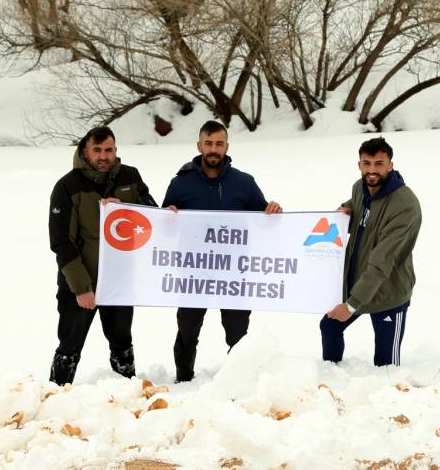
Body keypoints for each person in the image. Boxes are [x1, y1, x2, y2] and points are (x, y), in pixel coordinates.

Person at [161, 120, 282, 382]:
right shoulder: (180, 183)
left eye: (219, 144)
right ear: (199, 146)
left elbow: (264, 219)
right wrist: (167, 217)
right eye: (208, 143)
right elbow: (163, 227)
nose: (213, 149)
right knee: (187, 328)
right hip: (193, 269)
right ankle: (183, 378)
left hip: (233, 269)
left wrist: (271, 210)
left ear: (227, 146)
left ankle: (237, 379)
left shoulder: (244, 183)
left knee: (237, 330)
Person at [48, 126, 156, 385]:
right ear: (85, 151)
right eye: (97, 150)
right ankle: (55, 394)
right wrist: (82, 288)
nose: (103, 156)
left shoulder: (129, 176)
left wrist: (127, 210)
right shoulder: (67, 186)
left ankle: (125, 393)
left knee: (121, 341)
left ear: (116, 150)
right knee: (70, 344)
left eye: (109, 150)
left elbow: (152, 215)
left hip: (119, 282)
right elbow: (62, 242)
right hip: (81, 285)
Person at [321, 136, 422, 367]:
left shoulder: (405, 204)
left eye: (379, 163)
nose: (372, 170)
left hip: (389, 292)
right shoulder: (360, 187)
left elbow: (382, 260)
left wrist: (351, 305)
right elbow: (360, 205)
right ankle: (331, 377)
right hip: (358, 284)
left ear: (390, 165)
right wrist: (347, 210)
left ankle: (390, 398)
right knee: (329, 326)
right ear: (359, 165)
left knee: (386, 366)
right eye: (366, 163)